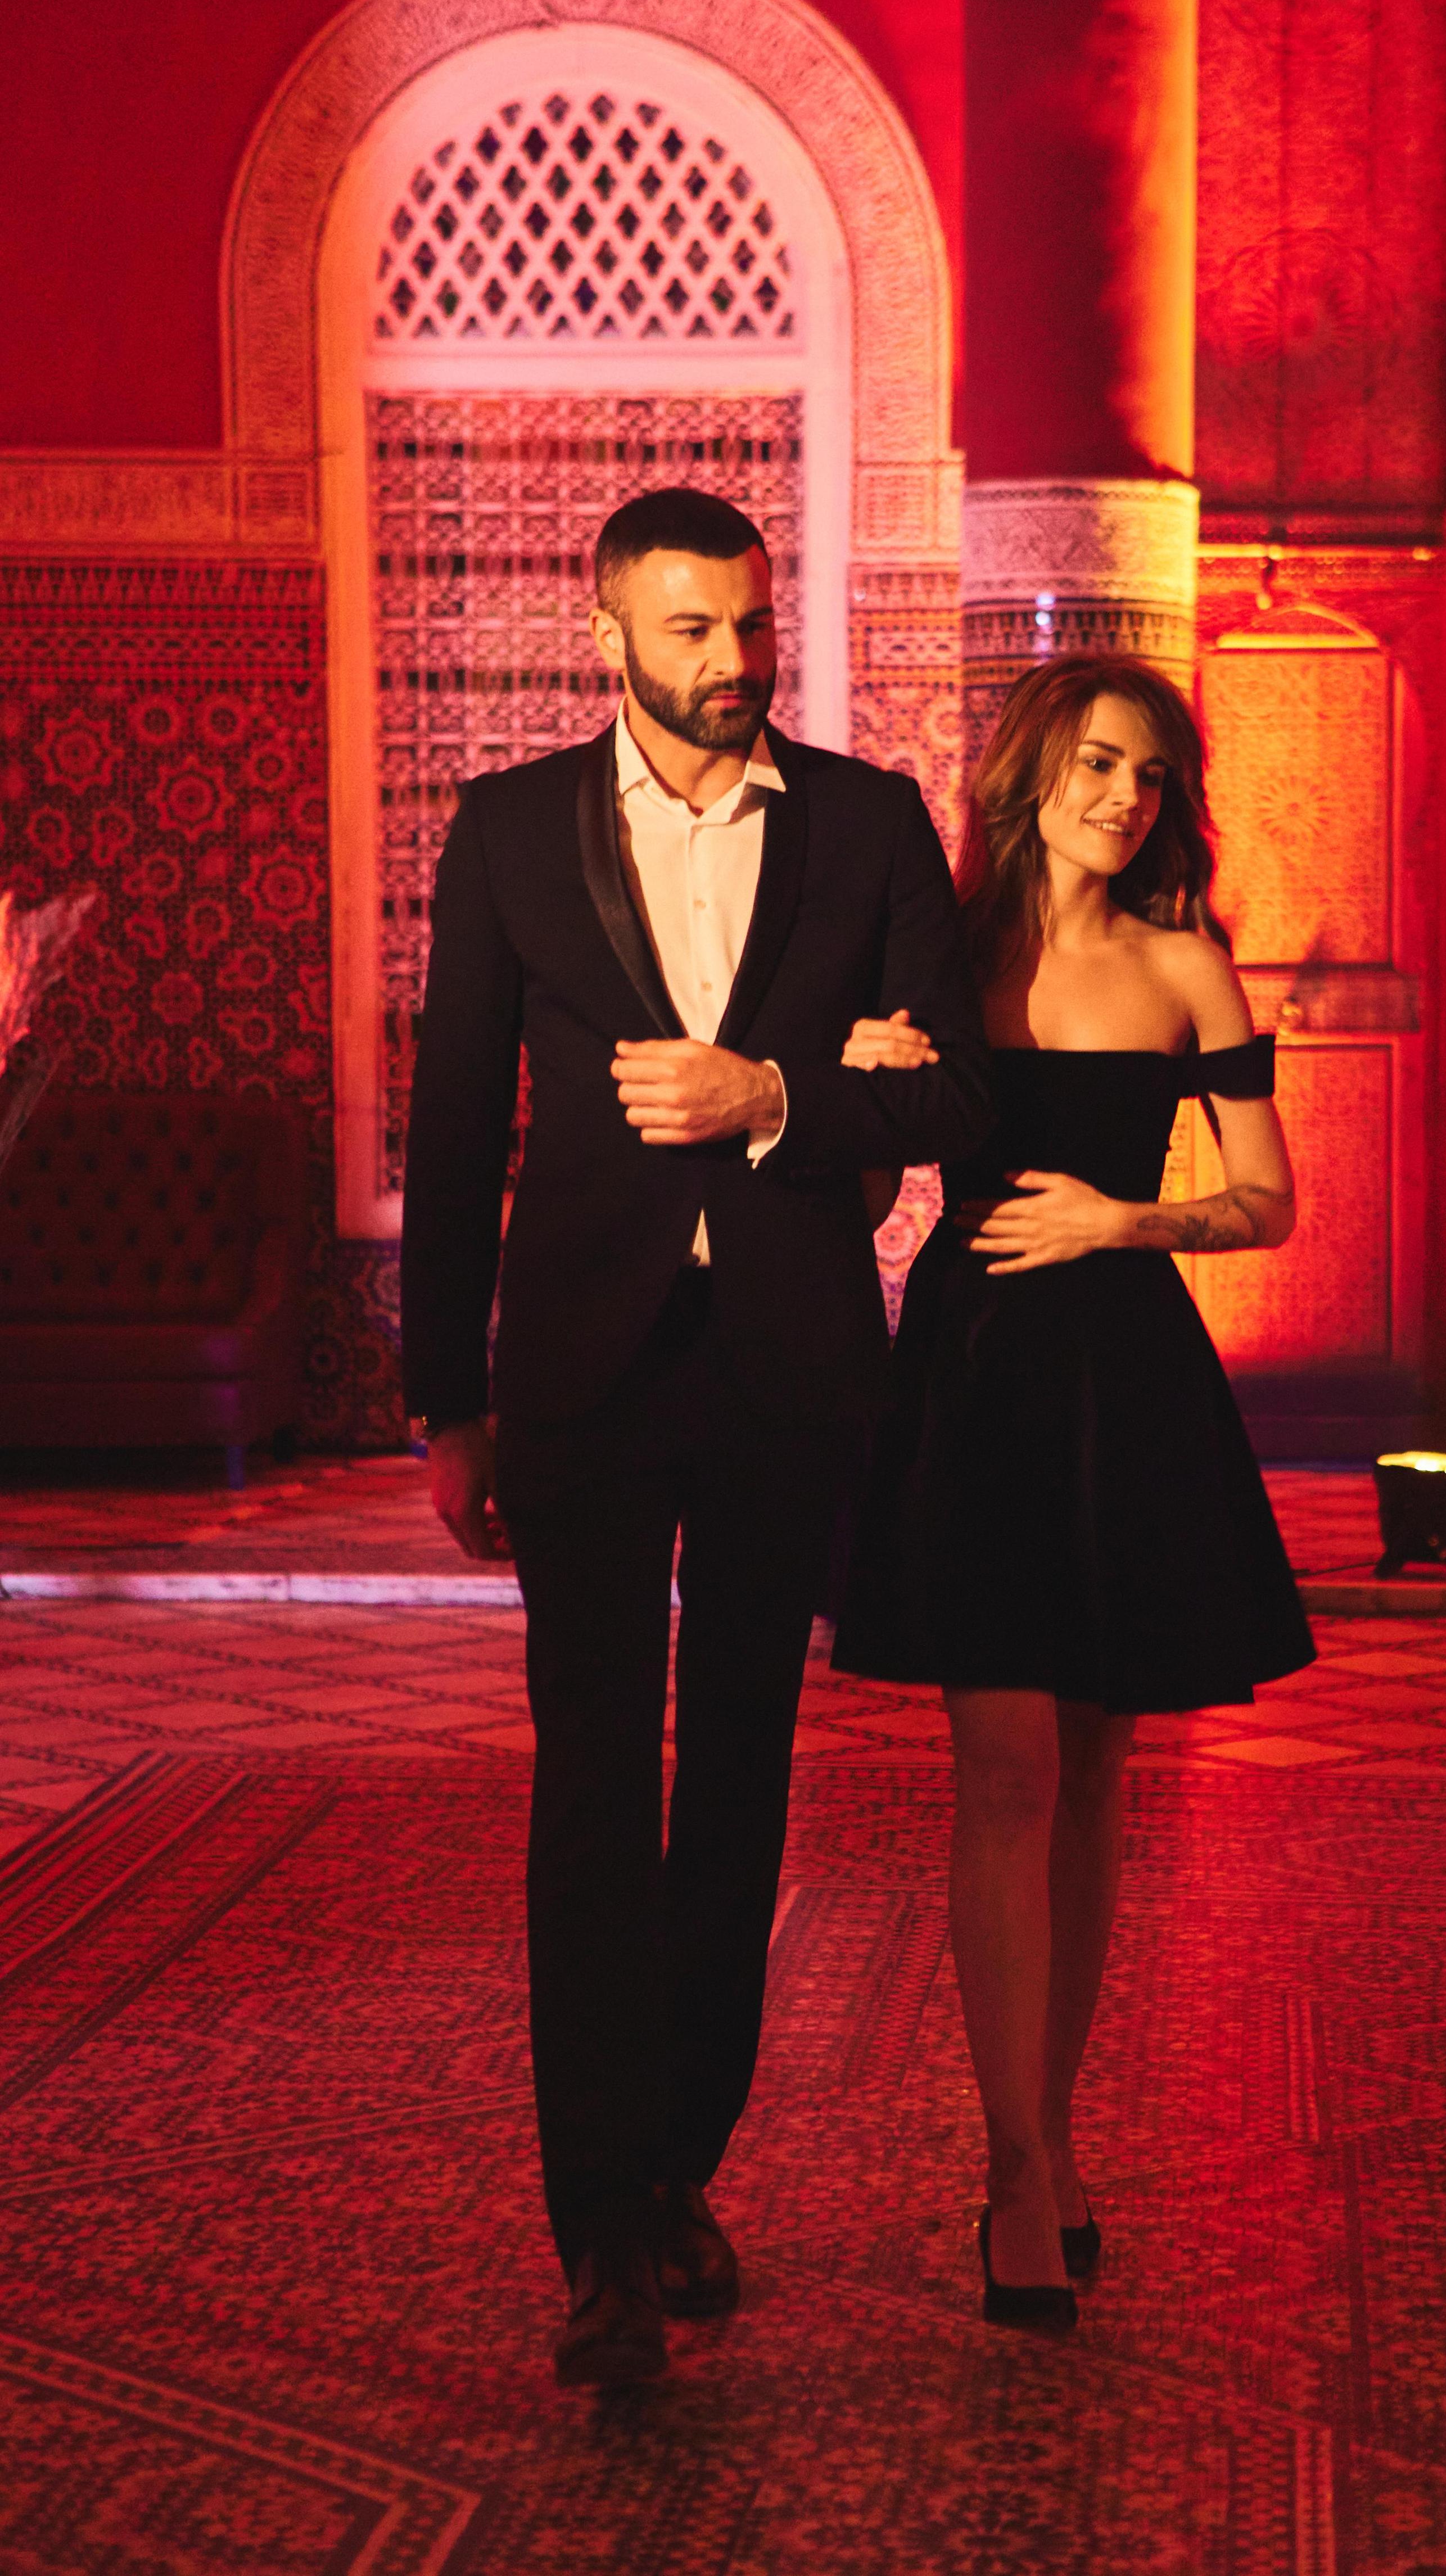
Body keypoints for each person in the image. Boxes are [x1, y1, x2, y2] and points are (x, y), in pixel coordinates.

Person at [400, 487, 993, 2386]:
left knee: (739, 1778)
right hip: (581, 1371)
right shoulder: (507, 832)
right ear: (608, 636)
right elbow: (451, 1124)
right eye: (691, 631)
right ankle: (595, 2227)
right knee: (590, 1787)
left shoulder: (870, 824)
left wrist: (775, 1097)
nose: (735, 661)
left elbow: (962, 1101)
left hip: (785, 1372)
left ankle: (673, 2172)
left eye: (751, 623)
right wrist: (447, 1399)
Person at [830, 654, 1314, 2330]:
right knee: (1008, 1761)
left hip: (1125, 1375)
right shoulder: (942, 961)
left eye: (1153, 774)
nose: (1126, 796)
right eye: (1101, 763)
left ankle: (1053, 2135)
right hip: (972, 1372)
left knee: (1098, 1762)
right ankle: (1018, 2171)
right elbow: (863, 1183)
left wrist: (1125, 1221)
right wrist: (865, 1080)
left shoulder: (1188, 969)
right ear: (1031, 771)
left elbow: (1268, 1202)